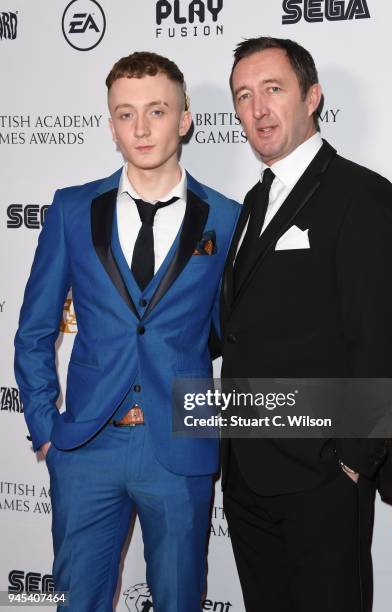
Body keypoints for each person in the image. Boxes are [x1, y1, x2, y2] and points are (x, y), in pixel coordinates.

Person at [14, 51, 239, 612]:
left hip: (180, 447)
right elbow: (35, 330)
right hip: (86, 447)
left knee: (180, 600)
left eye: (157, 111)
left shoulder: (228, 218)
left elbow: (235, 335)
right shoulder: (70, 209)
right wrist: (47, 428)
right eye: (125, 114)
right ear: (110, 122)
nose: (141, 128)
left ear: (185, 118)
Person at [220, 37, 392, 612]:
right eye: (243, 96)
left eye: (273, 89)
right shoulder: (254, 203)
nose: (257, 109)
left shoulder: (362, 194)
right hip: (247, 476)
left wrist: (352, 461)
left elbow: (382, 344)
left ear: (312, 96)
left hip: (321, 479)